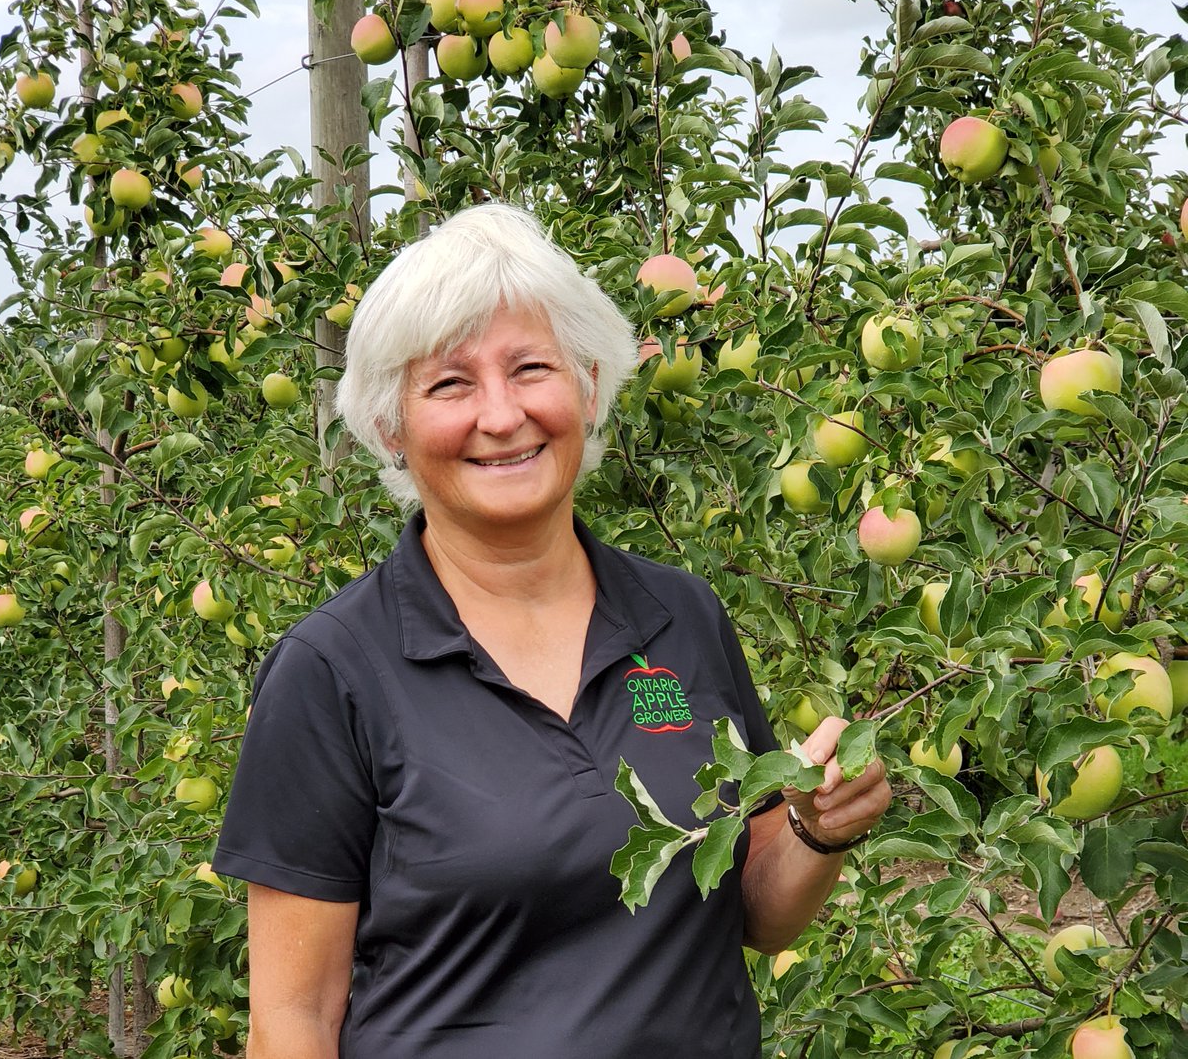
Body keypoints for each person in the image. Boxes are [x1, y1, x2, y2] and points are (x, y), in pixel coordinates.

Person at [211, 203, 891, 1059]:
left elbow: (749, 904)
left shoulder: (680, 615)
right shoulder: (335, 670)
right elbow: (292, 1018)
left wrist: (815, 828)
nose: (501, 415)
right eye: (450, 384)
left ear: (591, 383)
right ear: (391, 428)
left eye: (531, 368)